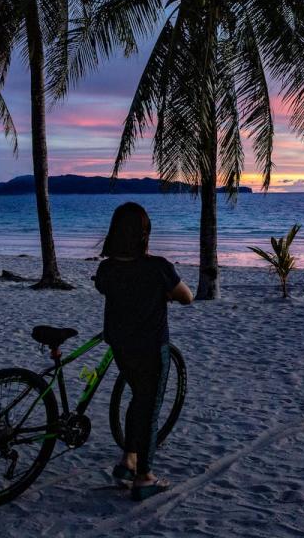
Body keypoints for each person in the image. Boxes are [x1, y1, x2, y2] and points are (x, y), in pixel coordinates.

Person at [94, 202, 192, 501]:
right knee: (149, 408)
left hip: (121, 346)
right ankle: (144, 477)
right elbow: (186, 297)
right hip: (150, 346)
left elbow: (104, 288)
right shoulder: (158, 267)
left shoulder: (106, 268)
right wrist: (163, 293)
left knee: (138, 399)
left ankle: (128, 459)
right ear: (143, 234)